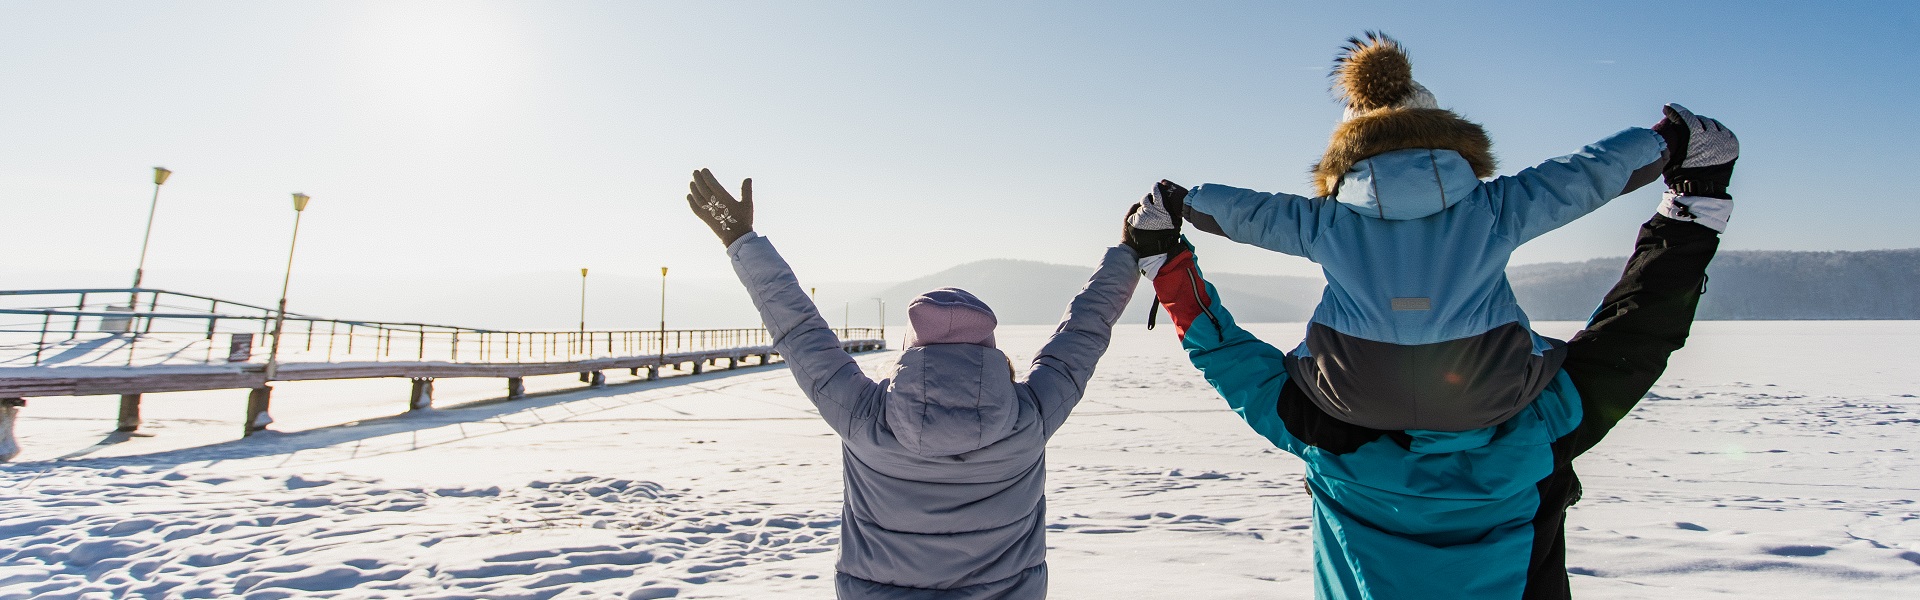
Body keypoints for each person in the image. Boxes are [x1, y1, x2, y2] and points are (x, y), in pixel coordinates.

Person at [1128, 104, 1738, 598]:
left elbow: (1221, 349)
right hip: (1504, 420)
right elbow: (1637, 320)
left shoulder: (1320, 422)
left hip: (1353, 411)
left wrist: (1165, 255)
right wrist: (1692, 196)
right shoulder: (1545, 421)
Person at [1155, 33, 1733, 433]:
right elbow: (1583, 176)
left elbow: (1248, 213)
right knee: (1569, 366)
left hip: (1349, 391)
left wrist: (1185, 201)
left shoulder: (1328, 220)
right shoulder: (1493, 208)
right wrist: (1666, 140)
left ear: (1350, 152)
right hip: (1488, 389)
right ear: (1449, 142)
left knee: (1295, 371)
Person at [684, 168, 1142, 599]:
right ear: (989, 350)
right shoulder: (1029, 418)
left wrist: (740, 238)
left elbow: (799, 330)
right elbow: (1085, 327)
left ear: (910, 353)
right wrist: (1130, 252)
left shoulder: (864, 418)